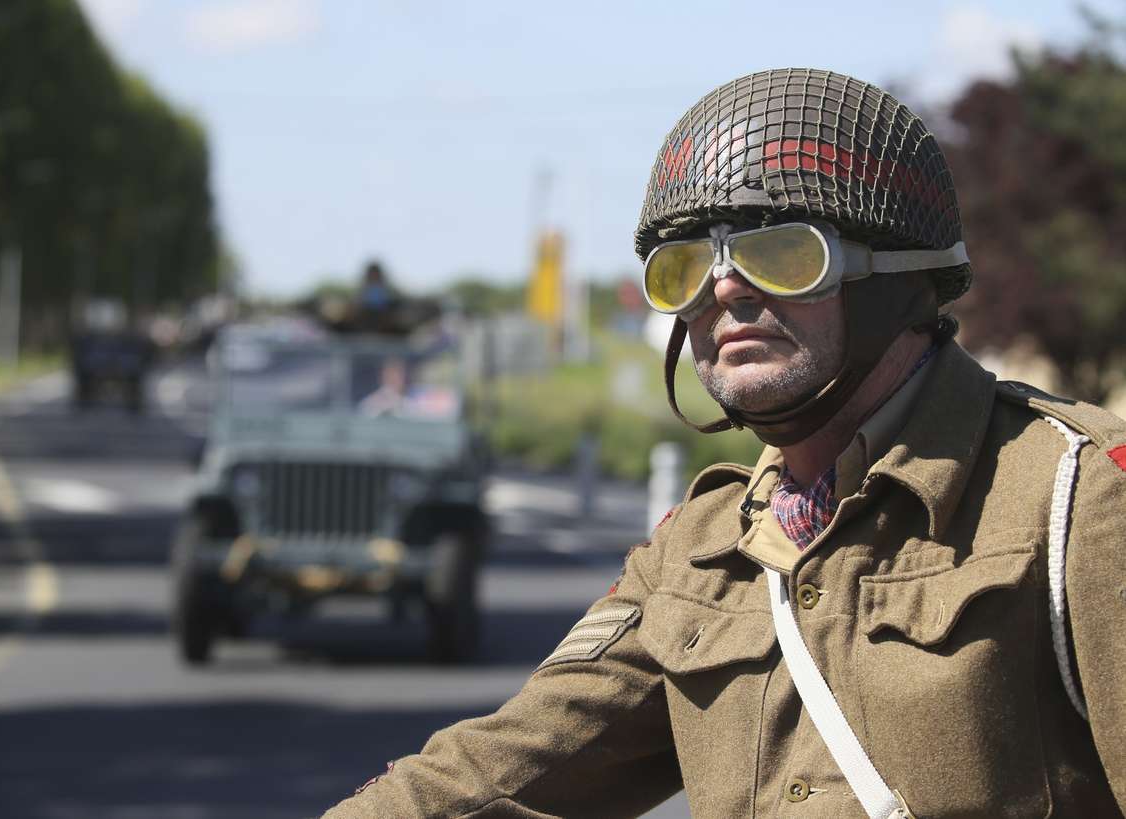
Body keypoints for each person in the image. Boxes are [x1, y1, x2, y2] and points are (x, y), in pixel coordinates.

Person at [322, 68, 1126, 818]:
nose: (725, 286)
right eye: (684, 267)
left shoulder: (1079, 498)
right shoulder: (701, 550)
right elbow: (499, 769)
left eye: (781, 253)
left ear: (893, 272)